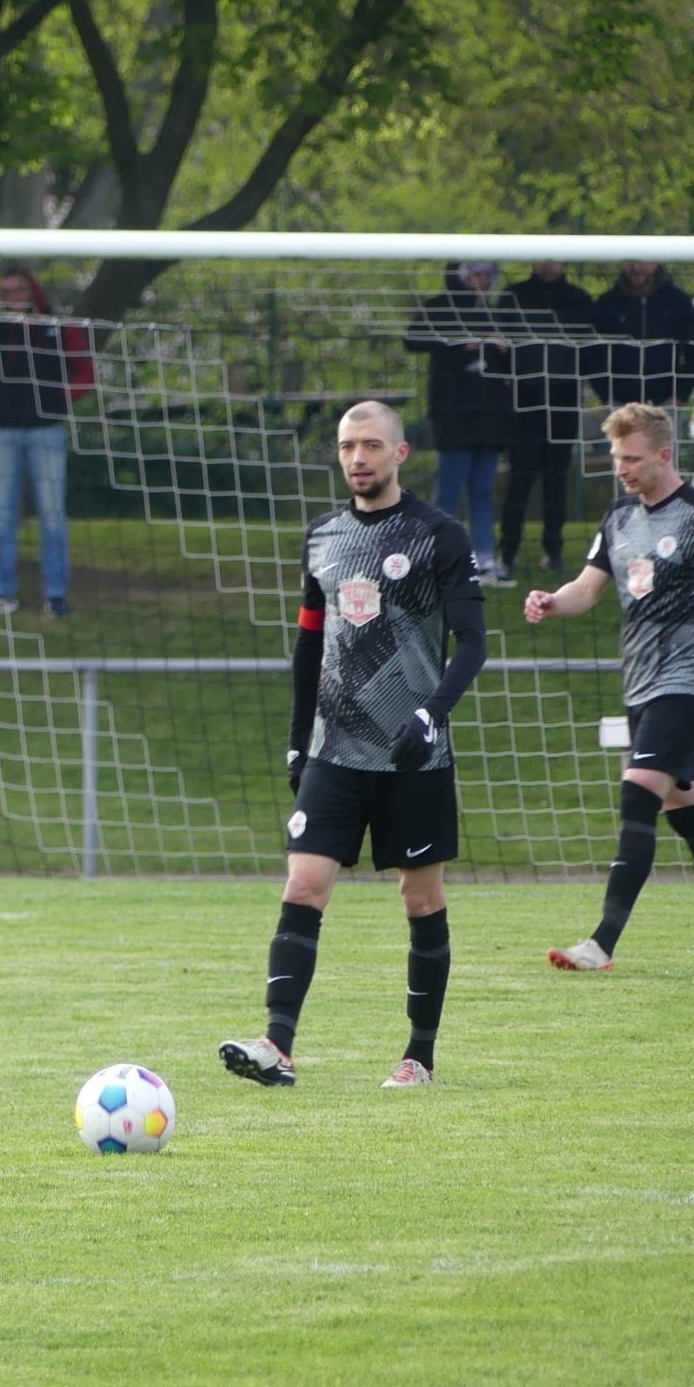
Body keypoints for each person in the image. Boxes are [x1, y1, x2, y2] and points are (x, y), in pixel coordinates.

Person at [219, 401, 487, 1090]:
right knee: (303, 884)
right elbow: (310, 644)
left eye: (371, 445)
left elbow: (473, 644)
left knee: (420, 901)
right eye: (346, 446)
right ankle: (277, 1046)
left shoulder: (439, 535)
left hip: (412, 754)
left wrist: (431, 716)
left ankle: (419, 1056)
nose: (358, 458)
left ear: (400, 453)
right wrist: (296, 742)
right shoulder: (322, 537)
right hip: (334, 750)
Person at [528, 403, 694, 974]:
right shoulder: (618, 517)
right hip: (640, 688)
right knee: (689, 814)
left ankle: (601, 944)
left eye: (633, 459)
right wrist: (550, 601)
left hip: (685, 685)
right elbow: (586, 590)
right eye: (617, 458)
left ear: (665, 455)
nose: (622, 468)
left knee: (639, 791)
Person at [0, 266, 94, 617]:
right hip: (2, 432)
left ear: (32, 291)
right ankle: (3, 592)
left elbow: (85, 371)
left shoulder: (58, 326)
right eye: (6, 292)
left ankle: (55, 594)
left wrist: (63, 398)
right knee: (3, 516)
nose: (14, 297)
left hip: (46, 431)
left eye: (19, 290)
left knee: (52, 515)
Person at [403, 262, 514, 581]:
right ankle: (435, 556)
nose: (483, 281)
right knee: (449, 491)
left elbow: (509, 362)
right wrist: (455, 340)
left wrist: (502, 349)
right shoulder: (440, 307)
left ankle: (484, 558)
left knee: (482, 491)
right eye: (476, 274)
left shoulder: (494, 312)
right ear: (462, 276)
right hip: (454, 415)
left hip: (490, 416)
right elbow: (412, 340)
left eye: (487, 275)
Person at [500, 261, 595, 579]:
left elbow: (590, 353)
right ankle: (508, 550)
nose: (549, 264)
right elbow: (498, 351)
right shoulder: (513, 297)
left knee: (557, 479)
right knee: (520, 477)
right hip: (523, 401)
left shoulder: (579, 299)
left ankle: (553, 549)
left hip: (564, 400)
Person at [587, 262, 694, 410]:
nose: (636, 268)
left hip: (666, 404)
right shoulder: (607, 303)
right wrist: (606, 396)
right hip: (619, 405)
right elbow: (592, 354)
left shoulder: (678, 301)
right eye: (631, 262)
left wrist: (680, 395)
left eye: (642, 261)